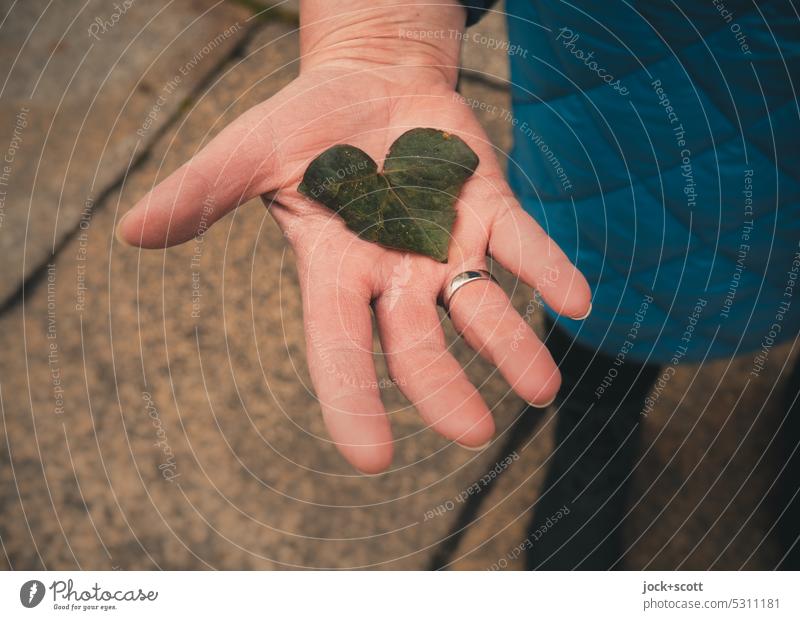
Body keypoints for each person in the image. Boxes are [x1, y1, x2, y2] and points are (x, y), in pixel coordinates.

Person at [116, 1, 800, 569]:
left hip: (617, 185)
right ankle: (597, 431)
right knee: (599, 355)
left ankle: (600, 433)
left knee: (601, 357)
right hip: (610, 187)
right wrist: (380, 34)